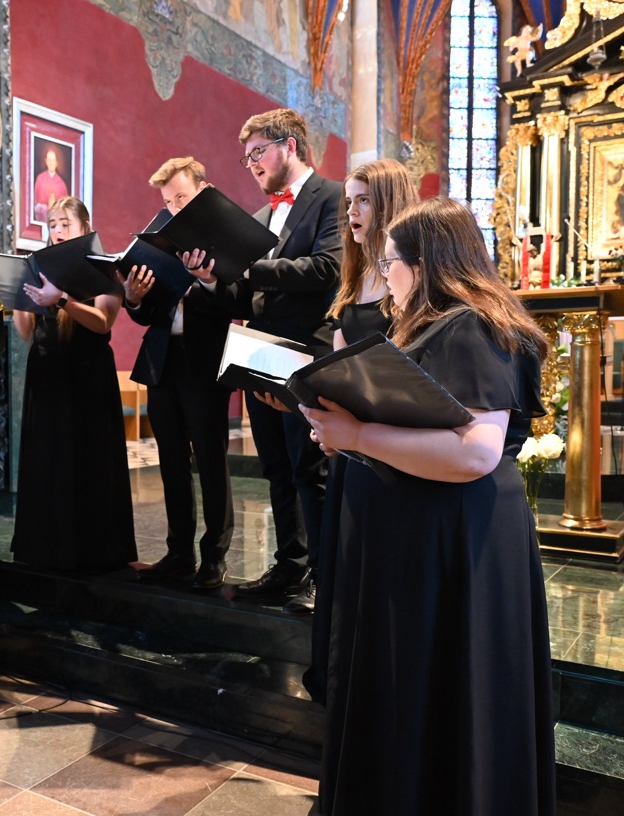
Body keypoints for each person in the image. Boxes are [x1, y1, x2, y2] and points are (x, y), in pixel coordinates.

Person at [303, 197, 555, 816]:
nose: (383, 274)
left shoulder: (469, 327)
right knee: (420, 699)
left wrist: (358, 434)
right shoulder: (438, 326)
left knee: (445, 698)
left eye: (390, 262)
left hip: (454, 544)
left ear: (425, 264)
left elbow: (475, 453)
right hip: (427, 539)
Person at [185, 108, 343, 599]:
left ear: (289, 145)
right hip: (260, 350)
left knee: (310, 470)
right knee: (275, 466)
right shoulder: (258, 219)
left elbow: (326, 269)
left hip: (308, 348)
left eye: (258, 152)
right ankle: (289, 566)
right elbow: (243, 299)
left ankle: (324, 576)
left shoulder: (331, 196)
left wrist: (249, 268)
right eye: (247, 156)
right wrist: (212, 279)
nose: (251, 163)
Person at [285, 159, 415, 637]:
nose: (351, 211)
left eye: (363, 200)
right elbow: (341, 357)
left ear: (390, 204)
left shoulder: (410, 276)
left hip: (392, 433)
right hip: (353, 437)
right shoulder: (356, 272)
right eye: (348, 201)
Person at [10, 196, 136, 571]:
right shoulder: (40, 268)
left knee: (86, 460)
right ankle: (45, 546)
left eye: (66, 223)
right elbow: (25, 332)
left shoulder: (101, 267)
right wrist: (19, 297)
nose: (58, 231)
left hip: (86, 376)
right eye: (52, 224)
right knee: (47, 458)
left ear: (85, 227)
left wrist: (62, 299)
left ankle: (92, 548)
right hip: (46, 376)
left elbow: (102, 322)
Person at [127, 157, 234, 589]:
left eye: (181, 198)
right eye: (168, 202)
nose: (174, 208)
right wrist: (135, 297)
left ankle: (214, 557)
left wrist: (207, 280)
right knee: (170, 461)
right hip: (162, 359)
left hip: (204, 361)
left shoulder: (225, 237)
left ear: (203, 191)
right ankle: (178, 552)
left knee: (211, 461)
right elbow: (147, 314)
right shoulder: (161, 240)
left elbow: (236, 299)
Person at [33, 148, 69, 222]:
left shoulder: (62, 184)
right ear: (46, 161)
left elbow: (66, 209)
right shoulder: (40, 179)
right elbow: (34, 205)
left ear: (56, 163)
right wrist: (46, 208)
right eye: (49, 160)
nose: (51, 163)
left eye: (53, 160)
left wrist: (54, 207)